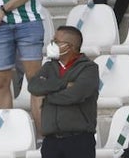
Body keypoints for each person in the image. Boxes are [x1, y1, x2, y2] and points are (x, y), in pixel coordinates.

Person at [26, 26, 99, 158]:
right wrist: (64, 84)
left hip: (79, 140)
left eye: (56, 41)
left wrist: (47, 96)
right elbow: (34, 86)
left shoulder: (89, 68)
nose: (52, 44)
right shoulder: (49, 66)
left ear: (69, 46)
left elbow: (75, 95)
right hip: (51, 141)